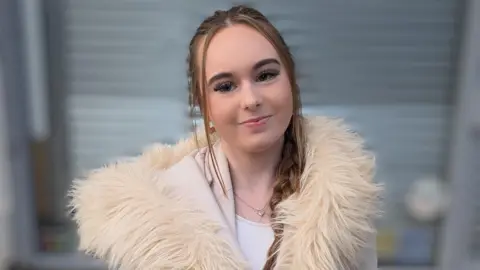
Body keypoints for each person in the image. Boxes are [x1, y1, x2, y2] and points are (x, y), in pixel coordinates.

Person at [69, 5, 382, 270]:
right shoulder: (159, 211)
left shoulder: (342, 198)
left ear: (292, 82)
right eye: (225, 86)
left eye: (266, 75)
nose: (250, 99)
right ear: (203, 105)